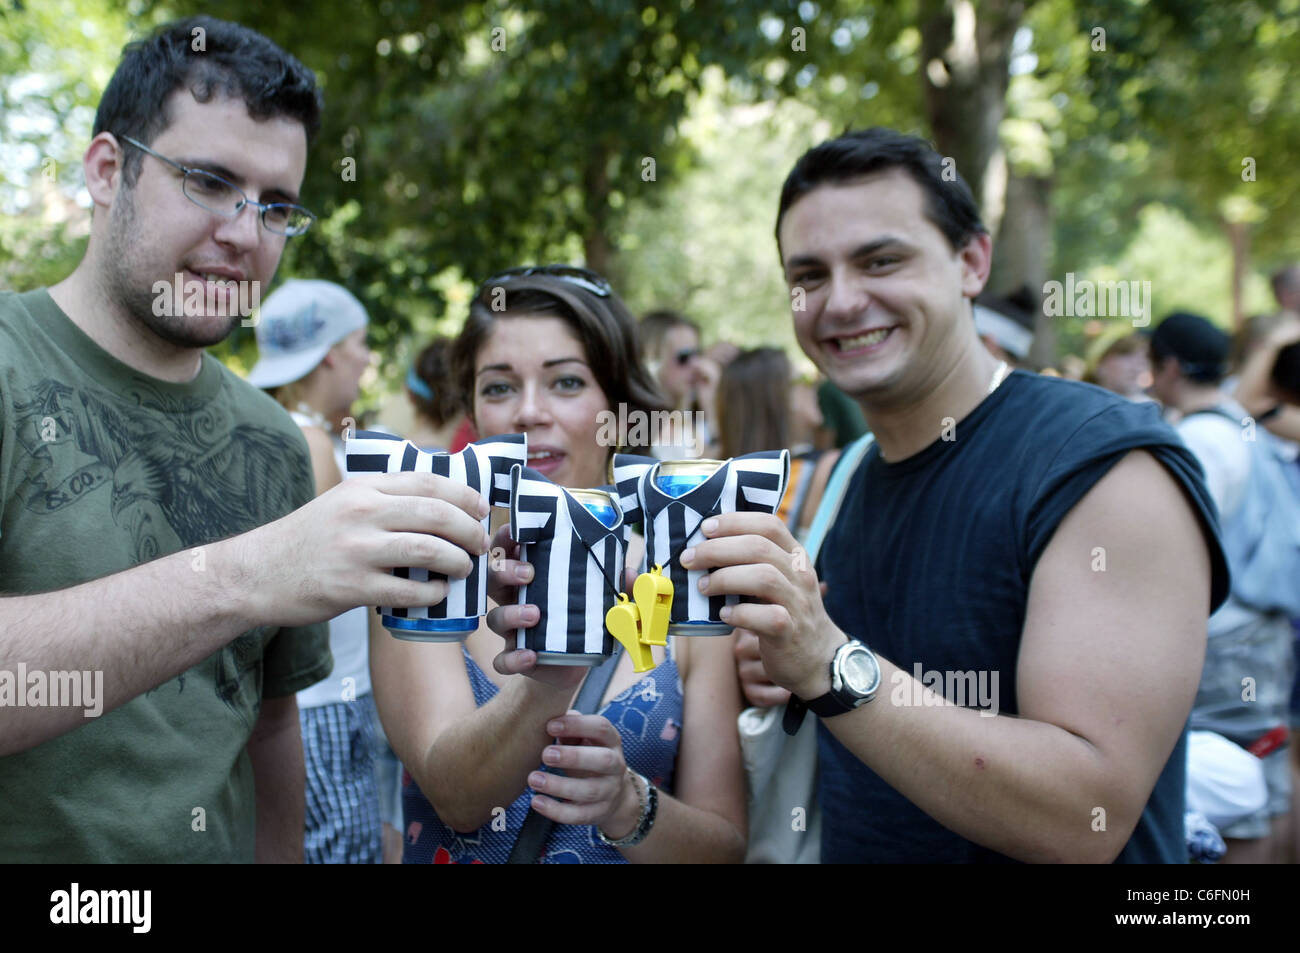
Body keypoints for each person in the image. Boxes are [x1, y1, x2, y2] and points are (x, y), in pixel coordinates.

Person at [0, 17, 489, 862]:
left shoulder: (273, 440)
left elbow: (267, 726)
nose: (245, 232)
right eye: (208, 180)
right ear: (107, 171)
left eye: (276, 206)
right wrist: (248, 573)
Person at [684, 127, 1229, 862]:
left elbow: (1084, 813)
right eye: (809, 274)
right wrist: (775, 666)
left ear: (972, 261)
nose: (841, 301)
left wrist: (827, 662)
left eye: (882, 260)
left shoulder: (1104, 462)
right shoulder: (846, 477)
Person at [370, 266, 748, 863]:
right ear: (471, 409)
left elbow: (723, 847)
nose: (528, 412)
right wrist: (560, 669)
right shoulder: (424, 565)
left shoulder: (685, 573)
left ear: (617, 405)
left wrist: (629, 805)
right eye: (498, 388)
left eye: (566, 383)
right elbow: (457, 796)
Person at [245, 278, 389, 864]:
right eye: (360, 343)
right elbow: (326, 585)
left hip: (316, 701)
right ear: (330, 351)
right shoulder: (309, 441)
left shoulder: (282, 429)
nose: (366, 359)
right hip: (325, 703)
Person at [1148, 311, 1297, 863]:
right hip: (1261, 630)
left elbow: (1173, 547)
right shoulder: (1240, 422)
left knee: (1236, 798)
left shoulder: (1200, 439)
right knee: (1264, 778)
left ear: (1167, 366)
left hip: (1227, 641)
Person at [715, 347, 836, 542]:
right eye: (802, 380)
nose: (814, 386)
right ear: (777, 399)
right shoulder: (829, 468)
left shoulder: (717, 476)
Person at [637, 309, 719, 458]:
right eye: (684, 357)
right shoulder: (630, 425)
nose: (697, 365)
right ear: (652, 361)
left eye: (698, 354)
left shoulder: (689, 420)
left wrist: (710, 406)